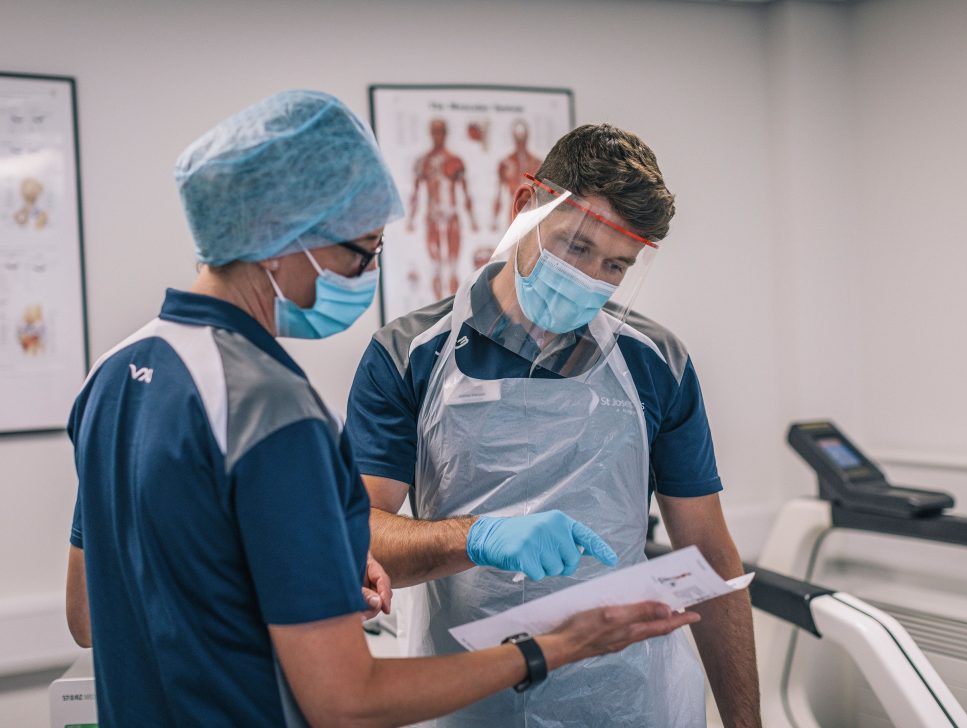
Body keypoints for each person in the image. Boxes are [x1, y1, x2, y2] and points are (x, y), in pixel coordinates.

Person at [64, 91, 698, 727]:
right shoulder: (273, 407)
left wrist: (296, 566)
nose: (363, 275)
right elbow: (347, 700)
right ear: (284, 236)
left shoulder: (116, 373)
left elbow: (89, 615)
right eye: (361, 252)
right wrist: (557, 647)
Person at [346, 124, 762, 727]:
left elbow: (711, 554)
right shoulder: (410, 354)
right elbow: (360, 538)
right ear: (526, 207)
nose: (590, 277)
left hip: (622, 697)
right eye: (575, 247)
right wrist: (476, 537)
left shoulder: (655, 362)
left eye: (616, 266)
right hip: (467, 692)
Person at [405, 118, 478, 299]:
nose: (438, 136)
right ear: (431, 134)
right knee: (436, 267)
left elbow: (465, 191)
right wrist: (411, 220)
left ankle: (453, 310)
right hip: (432, 216)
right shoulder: (423, 162)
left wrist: (473, 220)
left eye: (441, 132)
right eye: (435, 132)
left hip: (452, 214)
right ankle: (438, 310)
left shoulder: (455, 161)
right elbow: (415, 193)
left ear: (446, 134)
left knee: (453, 266)